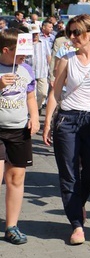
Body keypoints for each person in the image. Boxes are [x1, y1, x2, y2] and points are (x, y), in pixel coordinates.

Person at [42, 14, 90, 245]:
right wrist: (47, 122)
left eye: (77, 33)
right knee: (69, 174)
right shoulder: (66, 59)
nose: (72, 37)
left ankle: (78, 202)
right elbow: (56, 92)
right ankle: (76, 224)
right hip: (68, 119)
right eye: (69, 33)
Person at [0, 29, 39, 244]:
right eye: (20, 53)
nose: (24, 58)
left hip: (18, 130)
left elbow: (31, 96)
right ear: (6, 50)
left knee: (16, 178)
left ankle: (11, 226)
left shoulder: (26, 70)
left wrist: (34, 117)